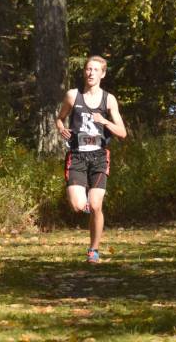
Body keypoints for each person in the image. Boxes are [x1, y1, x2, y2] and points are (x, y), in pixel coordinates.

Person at [56, 55, 126, 264]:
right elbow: (59, 118)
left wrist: (103, 120)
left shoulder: (109, 99)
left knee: (96, 205)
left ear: (102, 74)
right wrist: (61, 128)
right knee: (78, 206)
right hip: (77, 155)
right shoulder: (72, 96)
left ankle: (93, 251)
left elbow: (122, 132)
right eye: (88, 69)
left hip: (99, 156)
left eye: (96, 70)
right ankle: (86, 208)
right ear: (84, 72)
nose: (91, 73)